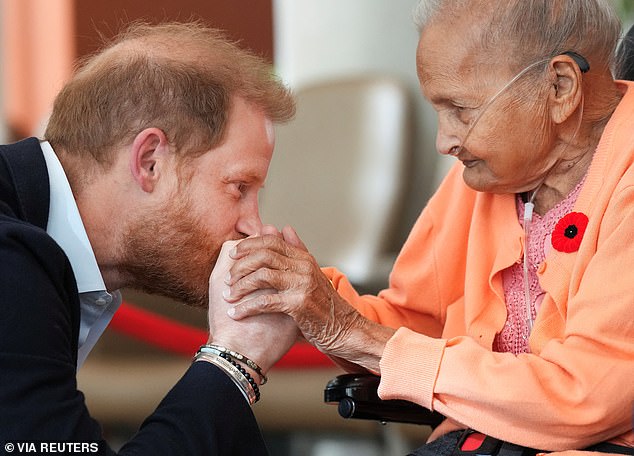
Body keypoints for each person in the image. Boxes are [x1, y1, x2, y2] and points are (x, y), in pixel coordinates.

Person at [220, 0, 634, 455]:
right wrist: (308, 301)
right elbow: (413, 328)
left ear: (560, 87)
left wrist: (357, 336)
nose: (444, 141)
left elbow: (587, 395)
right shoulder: (481, 177)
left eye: (461, 109)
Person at [0, 22, 299, 454]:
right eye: (239, 188)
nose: (254, 225)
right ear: (151, 161)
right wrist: (234, 361)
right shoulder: (10, 263)